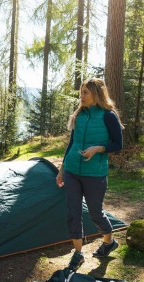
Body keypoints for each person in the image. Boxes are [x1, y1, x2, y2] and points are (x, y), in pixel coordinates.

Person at [56, 78, 123, 271]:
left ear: (96, 94)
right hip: (72, 171)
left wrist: (98, 148)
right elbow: (72, 143)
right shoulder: (79, 114)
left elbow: (118, 144)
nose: (81, 96)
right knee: (73, 213)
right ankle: (78, 254)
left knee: (95, 213)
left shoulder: (108, 116)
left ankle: (109, 242)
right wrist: (62, 169)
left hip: (94, 173)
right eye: (81, 92)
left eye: (85, 92)